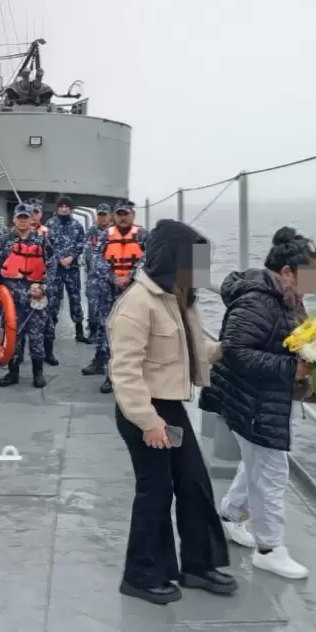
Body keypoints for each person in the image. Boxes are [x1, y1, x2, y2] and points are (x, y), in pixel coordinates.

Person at [108, 219, 234, 605]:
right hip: (144, 410)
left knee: (194, 484)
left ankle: (197, 564)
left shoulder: (179, 299)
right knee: (156, 491)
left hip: (171, 408)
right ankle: (141, 574)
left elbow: (197, 348)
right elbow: (125, 371)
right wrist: (148, 422)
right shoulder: (137, 304)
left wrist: (232, 347)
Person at [199, 227, 316, 580]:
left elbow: (289, 336)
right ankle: (269, 549)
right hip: (250, 399)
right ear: (286, 272)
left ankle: (230, 515)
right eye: (311, 273)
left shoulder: (288, 297)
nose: (315, 282)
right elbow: (235, 350)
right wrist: (291, 368)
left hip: (262, 398)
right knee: (271, 471)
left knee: (258, 461)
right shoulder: (258, 300)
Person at [82, 200, 148, 393]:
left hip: (134, 291)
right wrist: (112, 277)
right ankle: (110, 374)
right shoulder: (105, 235)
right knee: (108, 329)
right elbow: (95, 258)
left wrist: (130, 275)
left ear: (133, 215)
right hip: (108, 290)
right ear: (114, 216)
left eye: (126, 213)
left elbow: (149, 257)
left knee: (133, 333)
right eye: (119, 214)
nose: (122, 217)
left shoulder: (143, 235)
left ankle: (132, 375)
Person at [0, 203, 54, 389]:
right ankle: (13, 373)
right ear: (14, 219)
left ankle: (38, 373)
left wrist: (45, 287)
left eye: (26, 217)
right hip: (12, 299)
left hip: (35, 298)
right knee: (13, 338)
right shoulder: (4, 241)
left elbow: (51, 264)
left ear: (31, 219)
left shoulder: (41, 239)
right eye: (20, 218)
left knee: (36, 337)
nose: (23, 221)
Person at [44, 196, 89, 363]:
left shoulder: (77, 225)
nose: (64, 209)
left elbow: (81, 243)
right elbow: (47, 245)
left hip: (72, 269)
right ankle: (50, 332)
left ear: (70, 209)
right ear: (57, 208)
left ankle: (79, 331)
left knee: (75, 298)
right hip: (55, 270)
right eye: (61, 206)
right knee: (53, 301)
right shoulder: (50, 224)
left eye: (66, 206)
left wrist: (72, 257)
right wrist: (58, 259)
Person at [82, 203, 111, 346]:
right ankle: (93, 331)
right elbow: (88, 252)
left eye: (105, 215)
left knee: (110, 304)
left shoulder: (114, 232)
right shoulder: (92, 231)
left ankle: (108, 331)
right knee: (93, 303)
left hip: (111, 276)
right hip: (94, 275)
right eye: (100, 215)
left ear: (110, 216)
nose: (102, 218)